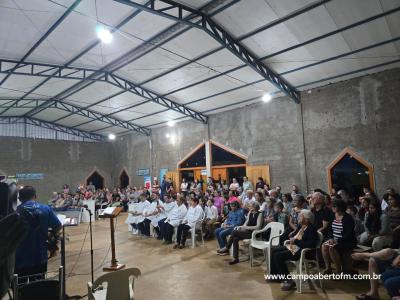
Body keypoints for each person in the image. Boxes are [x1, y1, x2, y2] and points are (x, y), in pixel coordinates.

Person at [15, 186, 62, 281]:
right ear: (35, 196)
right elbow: (58, 226)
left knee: (20, 287)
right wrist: (48, 236)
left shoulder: (14, 213)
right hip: (40, 257)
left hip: (20, 259)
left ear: (19, 198)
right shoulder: (46, 209)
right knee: (38, 286)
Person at [269, 209, 318, 291]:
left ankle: (289, 281)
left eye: (301, 216)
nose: (299, 217)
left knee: (278, 256)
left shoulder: (312, 229)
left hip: (303, 251)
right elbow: (295, 237)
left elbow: (311, 244)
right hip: (296, 247)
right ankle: (276, 276)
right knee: (274, 251)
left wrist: (296, 241)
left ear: (306, 219)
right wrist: (293, 238)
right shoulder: (301, 226)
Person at [321, 199, 357, 274]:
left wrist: (337, 240)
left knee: (331, 248)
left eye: (334, 206)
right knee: (324, 246)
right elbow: (330, 230)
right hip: (334, 239)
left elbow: (349, 234)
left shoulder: (348, 218)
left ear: (340, 207)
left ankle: (338, 271)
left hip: (346, 241)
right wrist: (331, 238)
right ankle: (328, 268)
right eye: (332, 206)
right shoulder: (333, 215)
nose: (332, 208)